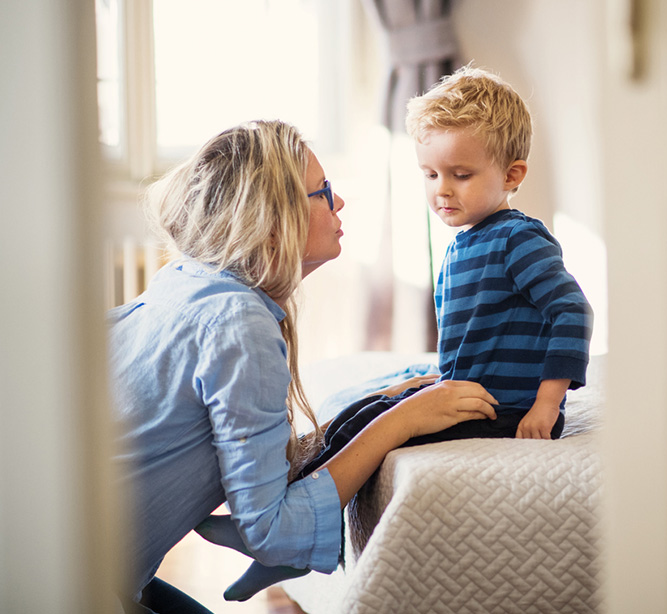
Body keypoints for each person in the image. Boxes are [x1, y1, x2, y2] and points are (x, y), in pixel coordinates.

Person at [209, 65, 594, 600]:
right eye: (431, 174)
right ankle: (277, 521)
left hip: (505, 409)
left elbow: (571, 312)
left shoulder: (517, 239)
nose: (442, 191)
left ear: (512, 175)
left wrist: (547, 405)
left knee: (379, 434)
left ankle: (285, 547)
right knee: (360, 413)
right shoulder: (466, 242)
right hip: (471, 391)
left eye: (461, 174)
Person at [108, 120, 498, 613]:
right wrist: (406, 420)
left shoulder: (184, 282)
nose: (339, 204)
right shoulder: (239, 322)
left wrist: (377, 408)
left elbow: (255, 456)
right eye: (324, 192)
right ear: (273, 220)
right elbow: (270, 529)